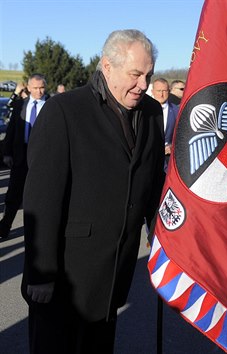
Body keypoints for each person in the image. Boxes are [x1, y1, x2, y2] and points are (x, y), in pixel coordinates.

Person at [21, 29, 165, 353]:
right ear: (107, 66)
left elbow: (153, 185)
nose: (144, 84)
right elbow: (42, 198)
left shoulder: (152, 115)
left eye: (149, 75)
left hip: (113, 276)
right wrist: (40, 272)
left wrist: (166, 241)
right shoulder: (64, 111)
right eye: (136, 74)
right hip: (64, 281)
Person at [0, 74, 47, 239]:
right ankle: (5, 226)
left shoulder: (52, 106)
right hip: (21, 157)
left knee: (39, 196)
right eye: (35, 88)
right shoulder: (20, 105)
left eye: (42, 87)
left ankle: (38, 229)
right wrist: (6, 153)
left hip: (42, 159)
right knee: (13, 194)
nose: (39, 91)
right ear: (28, 88)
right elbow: (11, 131)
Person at [151, 77, 178, 169]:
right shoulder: (143, 111)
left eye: (164, 91)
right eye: (158, 91)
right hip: (150, 160)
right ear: (152, 91)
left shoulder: (177, 110)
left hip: (168, 163)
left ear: (169, 91)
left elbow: (182, 134)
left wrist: (172, 146)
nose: (161, 94)